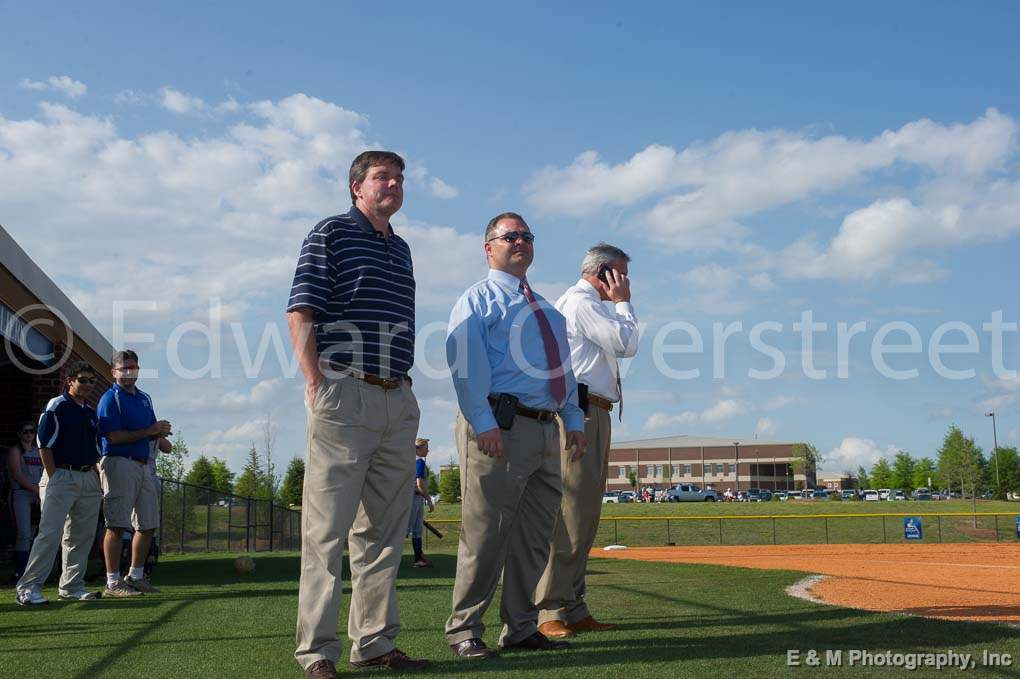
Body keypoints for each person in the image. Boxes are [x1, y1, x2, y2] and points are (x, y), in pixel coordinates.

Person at [287, 150, 428, 679]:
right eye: (381, 177)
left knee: (384, 534)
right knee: (327, 534)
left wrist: (405, 388)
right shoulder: (331, 232)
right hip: (343, 393)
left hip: (397, 399)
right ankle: (317, 653)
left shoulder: (402, 249)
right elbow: (300, 309)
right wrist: (315, 383)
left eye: (399, 178)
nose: (393, 184)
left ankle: (373, 641)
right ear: (356, 188)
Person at [445, 212, 587, 659]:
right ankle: (465, 629)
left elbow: (563, 369)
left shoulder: (548, 310)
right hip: (499, 428)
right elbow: (465, 364)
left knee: (534, 537)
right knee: (485, 535)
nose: (520, 242)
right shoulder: (478, 299)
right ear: (489, 248)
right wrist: (483, 422)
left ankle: (521, 626)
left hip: (547, 431)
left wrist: (575, 421)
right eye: (510, 236)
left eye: (527, 236)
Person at [535, 243, 638, 639]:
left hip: (594, 412)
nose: (627, 283)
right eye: (622, 275)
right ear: (606, 273)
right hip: (580, 413)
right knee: (571, 516)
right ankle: (550, 610)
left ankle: (573, 604)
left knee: (585, 517)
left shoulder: (587, 304)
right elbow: (626, 345)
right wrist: (624, 304)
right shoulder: (583, 303)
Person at [15, 362, 103, 605]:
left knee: (81, 536)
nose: (87, 385)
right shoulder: (58, 405)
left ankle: (72, 586)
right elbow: (44, 445)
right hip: (61, 475)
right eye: (82, 380)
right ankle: (28, 588)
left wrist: (94, 476)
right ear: (70, 381)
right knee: (50, 534)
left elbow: (96, 449)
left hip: (88, 477)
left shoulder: (90, 412)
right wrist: (55, 478)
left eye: (91, 381)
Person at [96, 349, 170, 597]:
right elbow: (113, 437)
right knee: (117, 524)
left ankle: (136, 576)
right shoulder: (110, 398)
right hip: (119, 462)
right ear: (114, 371)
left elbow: (152, 430)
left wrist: (160, 432)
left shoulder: (144, 398)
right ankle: (113, 583)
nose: (130, 372)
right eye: (124, 368)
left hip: (143, 465)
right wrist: (150, 431)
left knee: (148, 524)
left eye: (134, 367)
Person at [8, 421, 44, 580]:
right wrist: (36, 490)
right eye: (25, 431)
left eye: (31, 431)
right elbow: (17, 475)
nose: (29, 434)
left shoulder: (38, 451)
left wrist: (39, 492)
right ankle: (20, 571)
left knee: (33, 534)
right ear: (19, 434)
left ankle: (30, 571)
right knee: (23, 533)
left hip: (37, 496)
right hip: (21, 493)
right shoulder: (16, 451)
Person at [408, 437, 434, 567]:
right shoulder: (419, 462)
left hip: (413, 498)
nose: (428, 450)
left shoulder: (410, 461)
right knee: (406, 530)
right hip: (414, 499)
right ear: (418, 449)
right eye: (426, 448)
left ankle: (418, 558)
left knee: (416, 530)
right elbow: (419, 484)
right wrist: (429, 499)